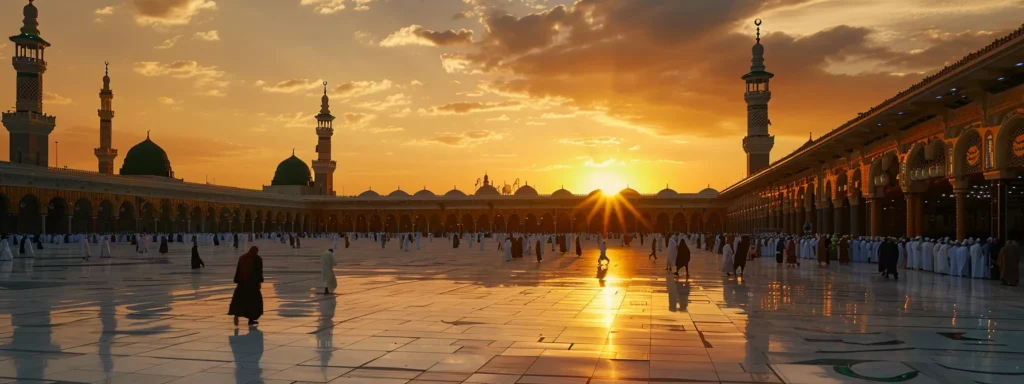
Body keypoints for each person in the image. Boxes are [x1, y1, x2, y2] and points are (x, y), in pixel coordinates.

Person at [228, 246, 264, 326]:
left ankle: (236, 314)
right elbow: (259, 271)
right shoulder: (257, 259)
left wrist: (237, 280)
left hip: (242, 284)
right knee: (253, 302)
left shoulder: (242, 258)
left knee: (240, 301)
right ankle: (251, 320)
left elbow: (238, 270)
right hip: (252, 285)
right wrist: (259, 281)